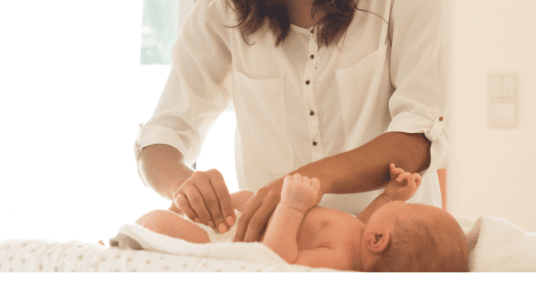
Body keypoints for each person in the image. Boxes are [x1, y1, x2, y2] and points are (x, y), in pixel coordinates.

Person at [136, 0, 450, 242]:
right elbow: (162, 136)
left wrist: (307, 182)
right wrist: (183, 186)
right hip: (276, 250)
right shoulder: (221, 10)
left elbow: (419, 136)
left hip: (395, 244)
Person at [131, 163, 468, 271]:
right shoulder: (361, 234)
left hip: (230, 239)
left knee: (156, 224)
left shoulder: (338, 261)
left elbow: (279, 259)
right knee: (246, 197)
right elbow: (364, 219)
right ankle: (188, 212)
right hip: (244, 215)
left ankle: (127, 247)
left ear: (379, 240)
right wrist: (390, 196)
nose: (405, 205)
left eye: (407, 210)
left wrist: (292, 207)